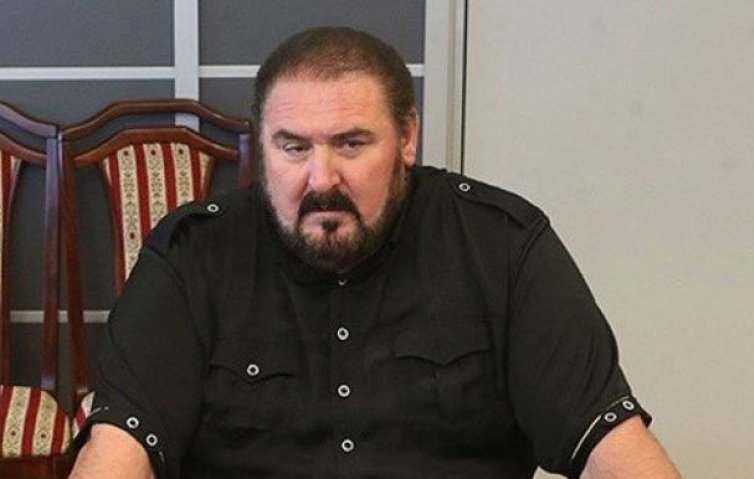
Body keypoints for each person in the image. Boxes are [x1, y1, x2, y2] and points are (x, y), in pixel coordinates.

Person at [70, 27, 680, 479]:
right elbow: (119, 449)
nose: (321, 179)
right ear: (261, 145)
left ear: (406, 138)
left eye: (351, 144)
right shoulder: (193, 254)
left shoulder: (503, 245)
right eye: (293, 147)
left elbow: (610, 442)